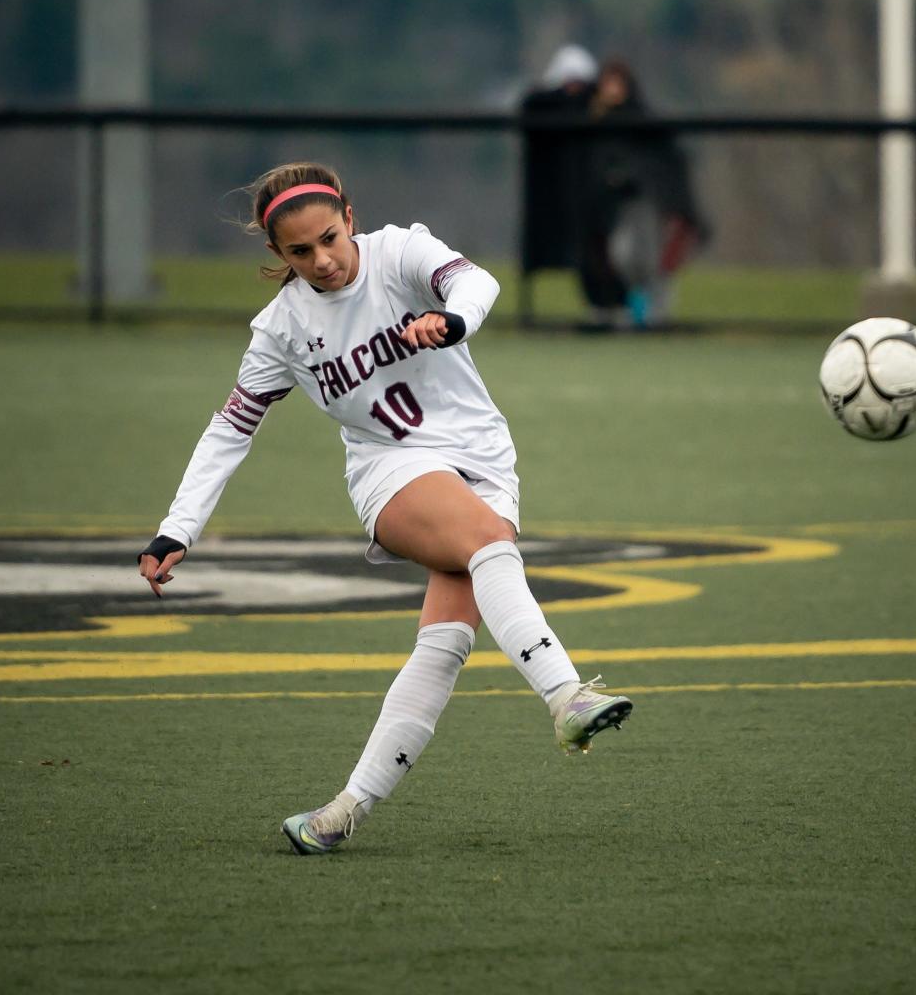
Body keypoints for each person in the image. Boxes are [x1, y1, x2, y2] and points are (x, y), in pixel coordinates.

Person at [136, 162, 633, 855]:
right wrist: (177, 527)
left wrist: (452, 318)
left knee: (445, 645)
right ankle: (566, 696)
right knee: (490, 543)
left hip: (484, 461)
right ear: (277, 255)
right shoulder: (281, 331)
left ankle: (341, 812)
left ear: (349, 215)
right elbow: (230, 429)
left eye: (330, 238)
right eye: (300, 252)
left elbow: (475, 282)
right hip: (390, 472)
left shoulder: (399, 254)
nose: (323, 260)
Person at [587, 58, 707, 327]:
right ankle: (637, 307)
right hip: (612, 205)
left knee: (648, 258)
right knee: (622, 256)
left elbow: (663, 159)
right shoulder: (595, 120)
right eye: (607, 83)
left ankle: (654, 314)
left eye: (616, 82)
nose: (611, 89)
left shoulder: (640, 116)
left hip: (644, 201)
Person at [519, 45, 598, 317]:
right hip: (549, 198)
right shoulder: (541, 107)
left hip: (590, 199)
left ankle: (605, 308)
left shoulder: (597, 111)